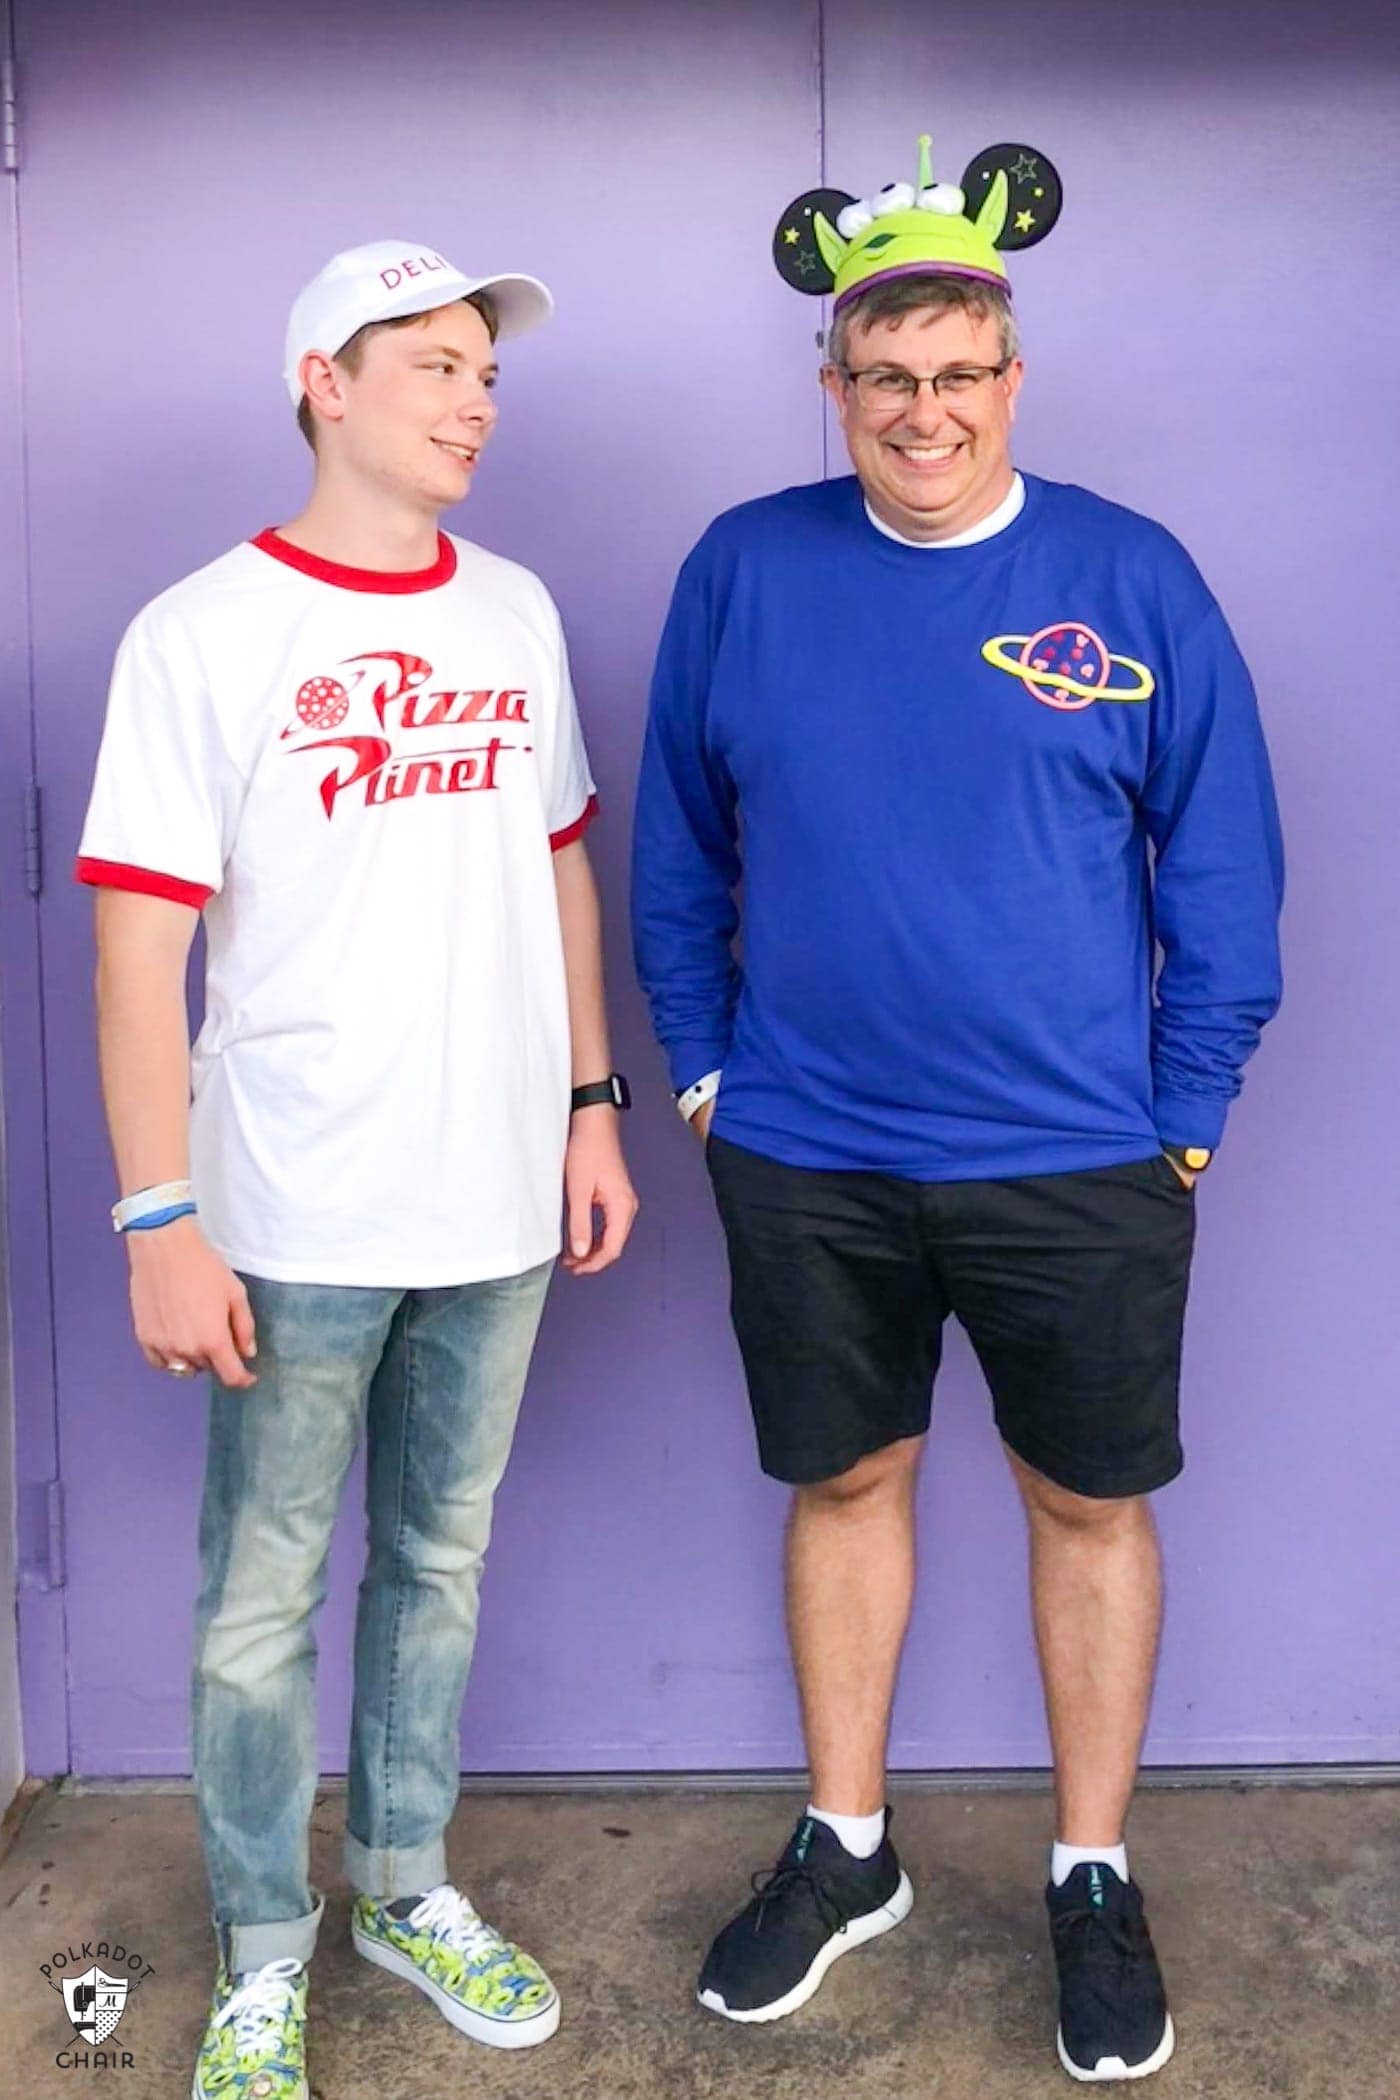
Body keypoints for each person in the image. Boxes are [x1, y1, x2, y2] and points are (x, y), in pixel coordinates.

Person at [632, 135, 1282, 2082]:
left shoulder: (1124, 572)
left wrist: (1182, 1108)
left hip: (1079, 1155)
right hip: (808, 1148)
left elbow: (1223, 867)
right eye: (885, 376)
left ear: (1013, 379)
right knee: (846, 1482)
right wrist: (707, 1068)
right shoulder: (747, 566)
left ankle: (1090, 1868)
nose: (924, 410)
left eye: (960, 373)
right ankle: (849, 1849)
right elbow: (676, 842)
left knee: (1087, 1501)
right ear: (834, 390)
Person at [78, 240, 637, 2098]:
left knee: (440, 1558)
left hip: (492, 1203)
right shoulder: (203, 631)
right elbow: (140, 946)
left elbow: (559, 859)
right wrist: (159, 1213)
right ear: (325, 379)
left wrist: (590, 1102)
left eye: (487, 370)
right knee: (260, 1599)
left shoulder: (517, 612)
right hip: (292, 1208)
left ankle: (404, 1882)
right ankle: (260, 1946)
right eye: (434, 364)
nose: (477, 397)